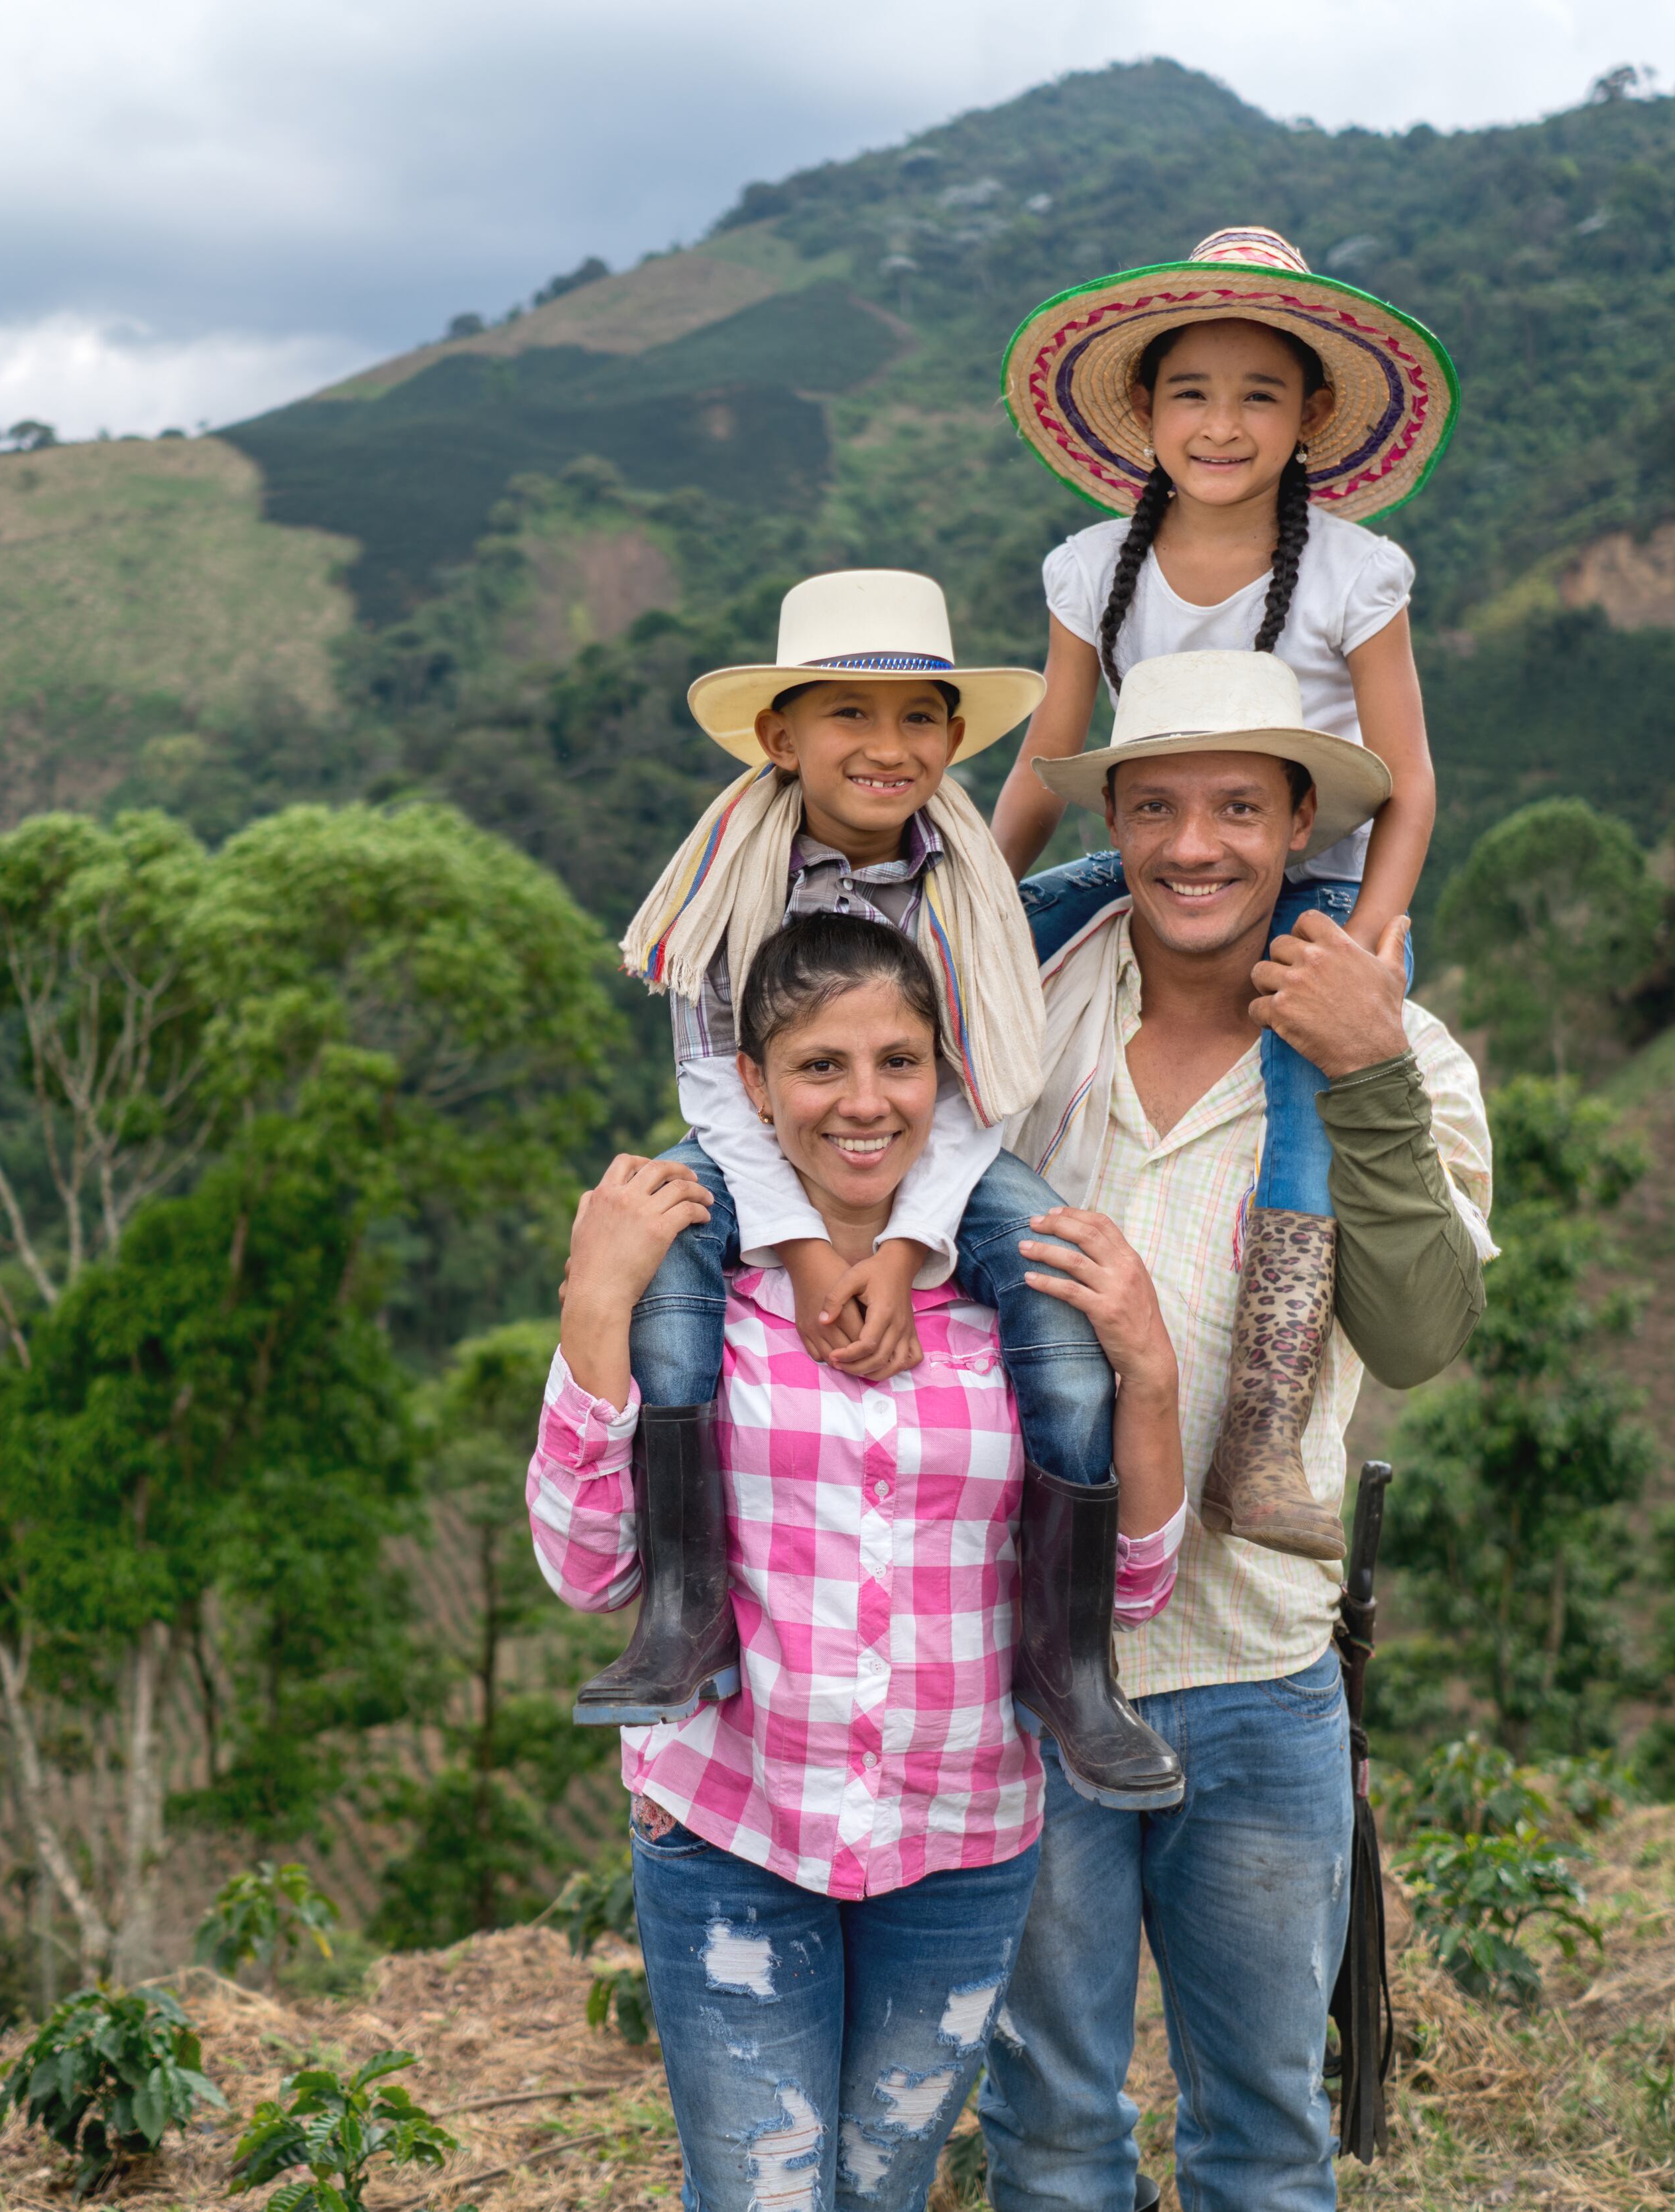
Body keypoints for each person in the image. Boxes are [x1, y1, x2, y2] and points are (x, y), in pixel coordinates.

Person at [528, 913, 1188, 2212]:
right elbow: (590, 1570)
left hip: (960, 1842)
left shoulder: (1017, 1297)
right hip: (732, 1822)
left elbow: (1128, 1591)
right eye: (819, 1066)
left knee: (881, 2193)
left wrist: (1149, 1372)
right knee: (766, 2197)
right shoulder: (694, 1290)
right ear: (755, 1088)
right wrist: (593, 1304)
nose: (863, 1101)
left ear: (944, 1077)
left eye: (898, 1060)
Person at [974, 650, 1495, 2212]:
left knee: (1262, 2131)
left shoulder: (1402, 1056)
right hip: (1031, 1667)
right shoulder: (1024, 1011)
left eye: (1233, 809)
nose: (1192, 846)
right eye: (1154, 807)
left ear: (1293, 828)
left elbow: (1418, 1335)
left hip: (1258, 1679)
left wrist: (1369, 1074)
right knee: (1053, 2126)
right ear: (1113, 823)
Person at [584, 569, 1180, 1809]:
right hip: (763, 1137)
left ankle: (1071, 1661)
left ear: (955, 739)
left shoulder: (965, 883)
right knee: (673, 1284)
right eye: (848, 716)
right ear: (781, 736)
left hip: (938, 1147)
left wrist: (906, 1252)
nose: (886, 747)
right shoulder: (728, 876)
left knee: (1062, 1308)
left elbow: (978, 1091)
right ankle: (686, 1606)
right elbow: (712, 1082)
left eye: (918, 719)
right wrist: (804, 1250)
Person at [988, 224, 1459, 1559]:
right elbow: (1045, 760)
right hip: (1154, 849)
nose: (1221, 423)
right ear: (1143, 410)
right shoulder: (1091, 568)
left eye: (1261, 394)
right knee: (961, 958)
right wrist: (961, 901)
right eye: (1191, 391)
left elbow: (1410, 786)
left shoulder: (1356, 573)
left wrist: (1361, 954)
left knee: (1309, 1083)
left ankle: (1262, 1422)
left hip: (1314, 878)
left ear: (1313, 415)